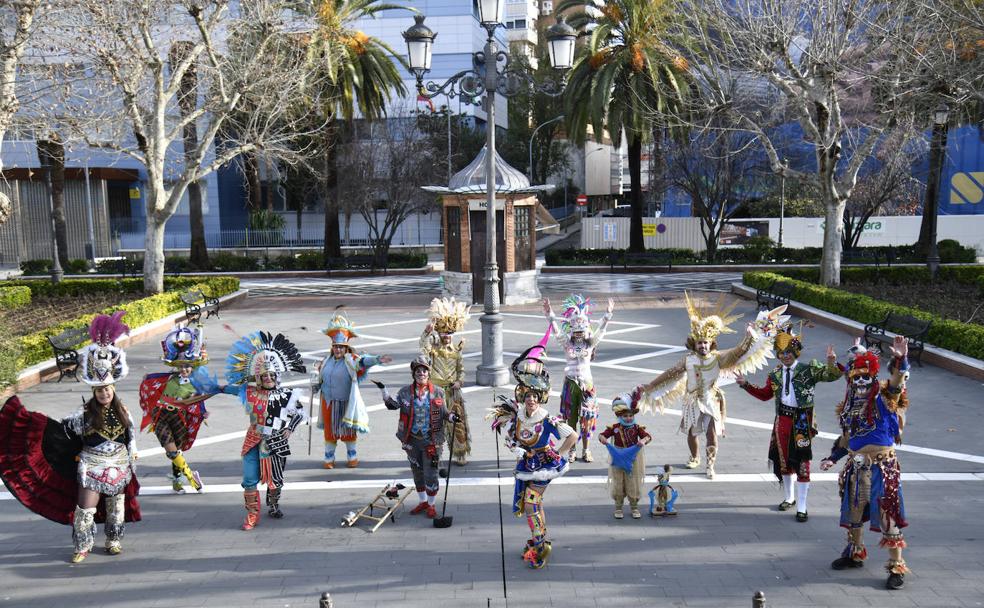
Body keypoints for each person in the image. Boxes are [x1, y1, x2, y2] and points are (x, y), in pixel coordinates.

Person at [0, 312, 141, 564]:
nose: (104, 393)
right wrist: (33, 425)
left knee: (116, 506)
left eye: (107, 389)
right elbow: (62, 434)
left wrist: (132, 455)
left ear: (113, 389)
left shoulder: (125, 412)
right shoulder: (83, 415)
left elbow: (129, 438)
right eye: (100, 390)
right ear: (94, 392)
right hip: (92, 465)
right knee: (85, 508)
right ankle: (82, 546)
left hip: (118, 465)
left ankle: (113, 539)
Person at [638, 293, 774, 479]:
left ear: (711, 344)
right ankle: (695, 457)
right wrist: (651, 385)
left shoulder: (718, 358)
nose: (703, 345)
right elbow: (670, 373)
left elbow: (737, 353)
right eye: (700, 342)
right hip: (692, 400)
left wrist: (748, 337)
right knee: (692, 433)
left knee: (711, 433)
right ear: (695, 344)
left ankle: (711, 465)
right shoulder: (688, 360)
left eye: (706, 342)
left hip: (711, 398)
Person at [820, 337, 912, 590]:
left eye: (865, 377)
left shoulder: (883, 399)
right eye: (855, 377)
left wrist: (901, 359)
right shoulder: (849, 408)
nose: (860, 381)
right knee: (854, 511)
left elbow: (896, 383)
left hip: (883, 467)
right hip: (857, 466)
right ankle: (855, 553)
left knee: (887, 515)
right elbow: (847, 439)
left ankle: (896, 567)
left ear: (873, 377)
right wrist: (832, 457)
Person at [489, 334, 577, 569]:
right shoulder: (518, 415)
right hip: (526, 464)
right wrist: (515, 448)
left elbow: (573, 436)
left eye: (535, 397)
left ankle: (540, 546)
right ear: (523, 397)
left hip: (543, 466)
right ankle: (540, 540)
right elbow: (510, 437)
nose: (531, 401)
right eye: (528, 397)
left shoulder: (548, 418)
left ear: (540, 399)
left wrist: (559, 452)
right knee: (533, 505)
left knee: (531, 504)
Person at [735, 326, 841, 521]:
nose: (785, 356)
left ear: (796, 353)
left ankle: (802, 506)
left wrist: (831, 362)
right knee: (784, 460)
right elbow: (765, 394)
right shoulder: (775, 373)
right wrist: (746, 385)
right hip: (782, 419)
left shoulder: (808, 369)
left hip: (801, 420)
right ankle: (789, 497)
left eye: (788, 353)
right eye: (782, 353)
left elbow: (832, 375)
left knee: (802, 462)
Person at [224, 330, 308, 530]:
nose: (268, 378)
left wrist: (289, 429)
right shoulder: (250, 392)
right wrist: (208, 389)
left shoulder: (287, 395)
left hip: (276, 442)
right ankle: (252, 515)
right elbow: (227, 388)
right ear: (258, 377)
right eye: (265, 375)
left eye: (272, 375)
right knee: (249, 479)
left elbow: (299, 414)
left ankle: (273, 503)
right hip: (253, 440)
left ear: (277, 376)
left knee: (275, 481)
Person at [378, 356, 459, 518]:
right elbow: (393, 406)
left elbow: (443, 412)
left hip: (432, 440)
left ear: (428, 373)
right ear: (413, 374)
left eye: (424, 370)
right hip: (411, 439)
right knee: (417, 472)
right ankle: (423, 502)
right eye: (418, 371)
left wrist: (452, 417)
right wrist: (384, 392)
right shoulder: (404, 392)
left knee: (431, 473)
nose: (421, 373)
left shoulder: (438, 391)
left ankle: (431, 505)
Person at [138, 324, 216, 493]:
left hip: (180, 417)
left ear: (193, 367)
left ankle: (176, 482)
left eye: (187, 366)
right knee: (170, 449)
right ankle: (191, 477)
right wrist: (147, 377)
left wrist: (203, 413)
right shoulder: (170, 377)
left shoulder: (196, 384)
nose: (184, 369)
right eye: (181, 366)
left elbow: (198, 401)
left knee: (176, 450)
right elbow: (155, 377)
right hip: (160, 416)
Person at [542, 294, 614, 463]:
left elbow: (601, 331)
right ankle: (572, 449)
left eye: (582, 331)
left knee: (587, 420)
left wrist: (607, 314)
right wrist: (549, 313)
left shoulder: (591, 343)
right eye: (577, 331)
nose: (580, 334)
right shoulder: (567, 343)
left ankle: (586, 450)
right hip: (571, 385)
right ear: (573, 331)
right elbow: (556, 330)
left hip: (587, 385)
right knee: (571, 419)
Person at [316, 310, 391, 469]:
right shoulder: (326, 361)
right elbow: (320, 378)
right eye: (336, 347)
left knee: (348, 430)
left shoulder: (351, 361)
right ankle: (329, 458)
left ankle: (352, 456)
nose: (338, 350)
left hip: (346, 401)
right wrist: (315, 383)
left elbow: (363, 362)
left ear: (346, 347)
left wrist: (377, 359)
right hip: (328, 402)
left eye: (341, 347)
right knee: (330, 431)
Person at [419, 297, 470, 465]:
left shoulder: (456, 351)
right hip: (435, 393)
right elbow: (423, 348)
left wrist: (459, 382)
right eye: (444, 333)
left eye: (449, 334)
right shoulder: (434, 348)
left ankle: (460, 454)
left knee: (457, 423)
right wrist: (427, 332)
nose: (447, 336)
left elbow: (461, 370)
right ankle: (435, 455)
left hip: (453, 392)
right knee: (435, 424)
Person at [598, 389, 652, 519]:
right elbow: (602, 435)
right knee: (618, 481)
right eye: (625, 416)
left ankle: (634, 506)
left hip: (633, 458)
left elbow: (648, 436)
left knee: (632, 480)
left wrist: (643, 440)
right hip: (617, 456)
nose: (628, 418)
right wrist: (602, 439)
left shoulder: (637, 427)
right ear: (619, 416)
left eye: (630, 416)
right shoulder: (615, 427)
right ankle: (618, 506)